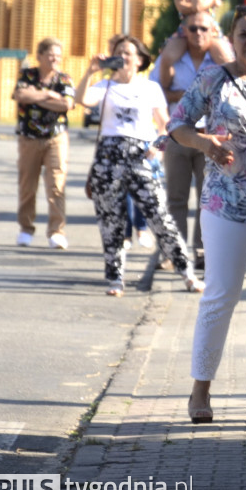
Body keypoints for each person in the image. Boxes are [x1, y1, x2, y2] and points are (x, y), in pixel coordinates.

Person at [168, 4, 246, 425]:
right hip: (224, 204)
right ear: (231, 39)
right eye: (244, 34)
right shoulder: (214, 77)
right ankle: (200, 388)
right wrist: (205, 144)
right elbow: (177, 123)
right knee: (219, 294)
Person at [74, 35, 204, 297]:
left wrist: (158, 146)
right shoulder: (105, 85)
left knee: (160, 217)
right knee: (111, 221)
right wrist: (90, 70)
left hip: (140, 154)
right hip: (108, 156)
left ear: (140, 59)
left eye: (128, 52)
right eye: (118, 52)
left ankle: (186, 273)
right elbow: (82, 99)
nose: (123, 56)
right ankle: (115, 278)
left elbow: (166, 123)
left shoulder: (151, 88)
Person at [153, 11, 224, 267]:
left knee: (207, 198)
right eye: (192, 29)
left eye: (204, 29)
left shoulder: (219, 59)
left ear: (214, 32)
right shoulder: (172, 56)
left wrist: (183, 95)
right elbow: (155, 90)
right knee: (176, 197)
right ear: (184, 31)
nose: (198, 34)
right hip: (178, 134)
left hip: (210, 135)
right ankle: (175, 252)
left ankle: (203, 250)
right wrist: (166, 63)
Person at [12, 37, 74, 249]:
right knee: (27, 185)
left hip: (55, 138)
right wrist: (47, 94)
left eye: (57, 55)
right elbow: (20, 94)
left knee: (56, 184)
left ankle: (56, 231)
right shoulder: (27, 75)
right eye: (50, 54)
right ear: (39, 56)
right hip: (29, 138)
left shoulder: (64, 79)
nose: (54, 58)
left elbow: (66, 104)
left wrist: (35, 96)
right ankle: (26, 229)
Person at [157, 0, 231, 93]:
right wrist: (196, 5)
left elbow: (196, 6)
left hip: (211, 32)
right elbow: (182, 7)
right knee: (167, 57)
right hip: (184, 30)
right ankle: (165, 88)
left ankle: (233, 87)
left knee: (226, 59)